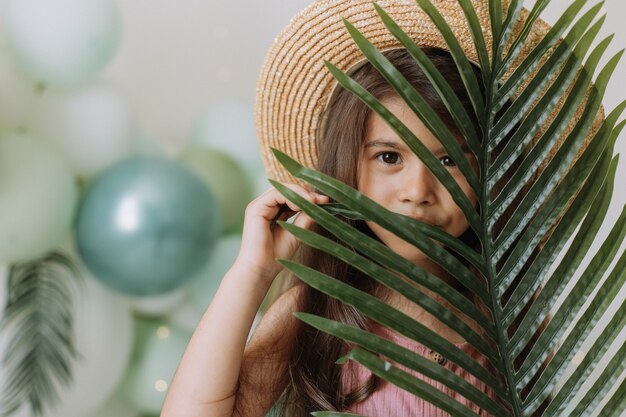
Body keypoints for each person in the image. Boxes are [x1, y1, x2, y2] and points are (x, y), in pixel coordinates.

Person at [161, 1, 593, 416]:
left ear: (492, 173)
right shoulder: (316, 313)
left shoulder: (510, 327)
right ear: (348, 167)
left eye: (450, 161)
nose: (418, 190)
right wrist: (252, 275)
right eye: (389, 158)